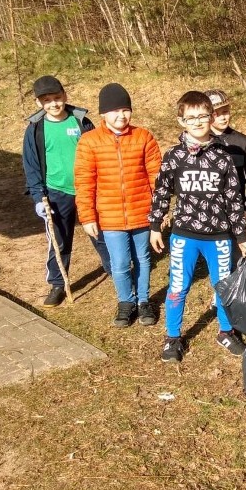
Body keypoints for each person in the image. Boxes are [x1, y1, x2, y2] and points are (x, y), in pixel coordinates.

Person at [149, 91, 246, 362]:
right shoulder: (174, 156)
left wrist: (240, 234)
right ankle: (172, 337)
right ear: (181, 121)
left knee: (223, 285)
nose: (197, 122)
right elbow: (161, 191)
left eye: (203, 116)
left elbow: (233, 197)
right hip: (184, 235)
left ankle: (226, 331)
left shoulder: (223, 156)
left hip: (219, 235)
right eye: (190, 118)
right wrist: (156, 224)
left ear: (211, 117)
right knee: (178, 286)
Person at [74, 83, 162, 328]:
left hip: (142, 211)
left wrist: (159, 211)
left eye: (125, 109)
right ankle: (126, 301)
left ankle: (144, 301)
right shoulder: (89, 142)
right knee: (120, 262)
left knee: (143, 258)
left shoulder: (143, 137)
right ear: (103, 114)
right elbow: (84, 181)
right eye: (115, 111)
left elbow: (157, 176)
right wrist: (88, 216)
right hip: (110, 217)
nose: (121, 115)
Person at [21, 75, 111, 308]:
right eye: (47, 100)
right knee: (59, 240)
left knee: (100, 233)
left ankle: (115, 271)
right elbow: (31, 165)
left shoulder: (81, 122)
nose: (53, 104)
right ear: (39, 103)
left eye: (57, 98)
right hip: (55, 192)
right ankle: (58, 284)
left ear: (65, 96)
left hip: (87, 189)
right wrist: (37, 196)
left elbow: (99, 153)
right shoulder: (35, 130)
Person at [204, 89, 246, 221]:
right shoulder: (199, 143)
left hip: (236, 208)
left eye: (225, 112)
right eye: (216, 114)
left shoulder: (243, 141)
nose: (223, 117)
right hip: (207, 210)